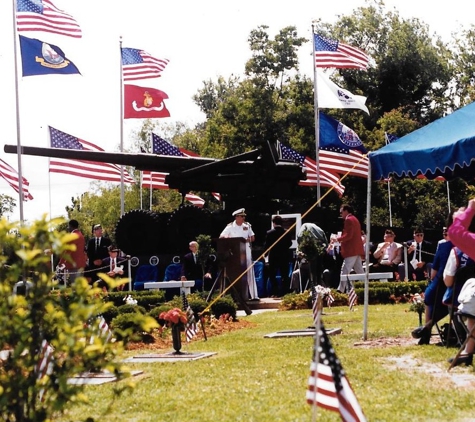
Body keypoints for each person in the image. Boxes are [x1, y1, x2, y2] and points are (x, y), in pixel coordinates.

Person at [412, 225, 453, 345]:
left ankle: (427, 331)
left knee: (430, 298)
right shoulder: (466, 246)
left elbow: (434, 273)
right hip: (461, 288)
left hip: (442, 285)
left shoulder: (443, 247)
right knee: (450, 303)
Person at [219, 208, 259, 301]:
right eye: (242, 216)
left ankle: (254, 295)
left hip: (246, 251)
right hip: (235, 253)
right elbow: (222, 236)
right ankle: (236, 296)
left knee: (250, 273)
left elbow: (252, 238)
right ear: (236, 217)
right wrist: (227, 237)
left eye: (244, 216)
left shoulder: (247, 226)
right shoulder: (230, 227)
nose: (243, 218)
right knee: (235, 274)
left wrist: (247, 240)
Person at [336, 204, 364, 293]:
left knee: (345, 269)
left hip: (351, 250)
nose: (341, 215)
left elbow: (349, 235)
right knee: (359, 271)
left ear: (346, 211)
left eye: (341, 212)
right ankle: (367, 287)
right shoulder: (355, 219)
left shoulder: (348, 220)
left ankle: (340, 290)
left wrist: (338, 239)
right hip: (356, 249)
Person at [264, 215, 292, 297]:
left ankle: (275, 292)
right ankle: (284, 292)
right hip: (284, 256)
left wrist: (265, 254)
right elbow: (290, 243)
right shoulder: (286, 232)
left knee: (272, 275)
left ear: (273, 223)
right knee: (285, 275)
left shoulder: (270, 233)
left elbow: (267, 245)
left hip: (274, 256)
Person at [58, 219, 86, 284]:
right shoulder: (81, 235)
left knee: (75, 285)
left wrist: (61, 262)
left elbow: (68, 251)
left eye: (68, 226)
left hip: (74, 265)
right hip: (81, 264)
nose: (68, 228)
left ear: (71, 226)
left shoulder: (73, 236)